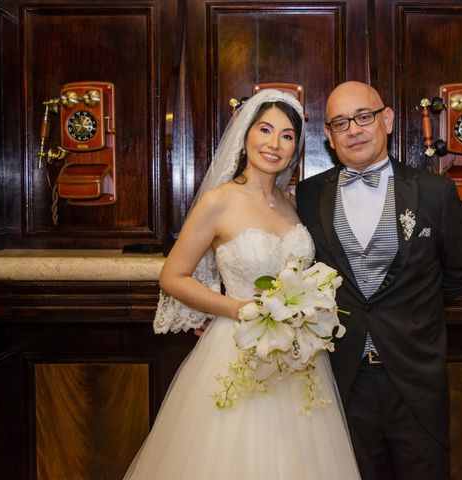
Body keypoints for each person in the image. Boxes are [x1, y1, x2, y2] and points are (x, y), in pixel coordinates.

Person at [125, 89, 360, 479]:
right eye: (265, 130)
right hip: (236, 347)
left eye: (287, 136)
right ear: (245, 134)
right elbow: (172, 276)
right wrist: (240, 309)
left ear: (296, 148)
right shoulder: (219, 201)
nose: (274, 143)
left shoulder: (292, 203)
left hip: (299, 357)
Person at [296, 81, 462, 480]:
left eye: (364, 116)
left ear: (388, 119)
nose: (354, 129)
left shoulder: (436, 192)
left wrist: (412, 311)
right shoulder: (307, 196)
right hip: (342, 379)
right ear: (328, 135)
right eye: (340, 122)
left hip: (414, 378)